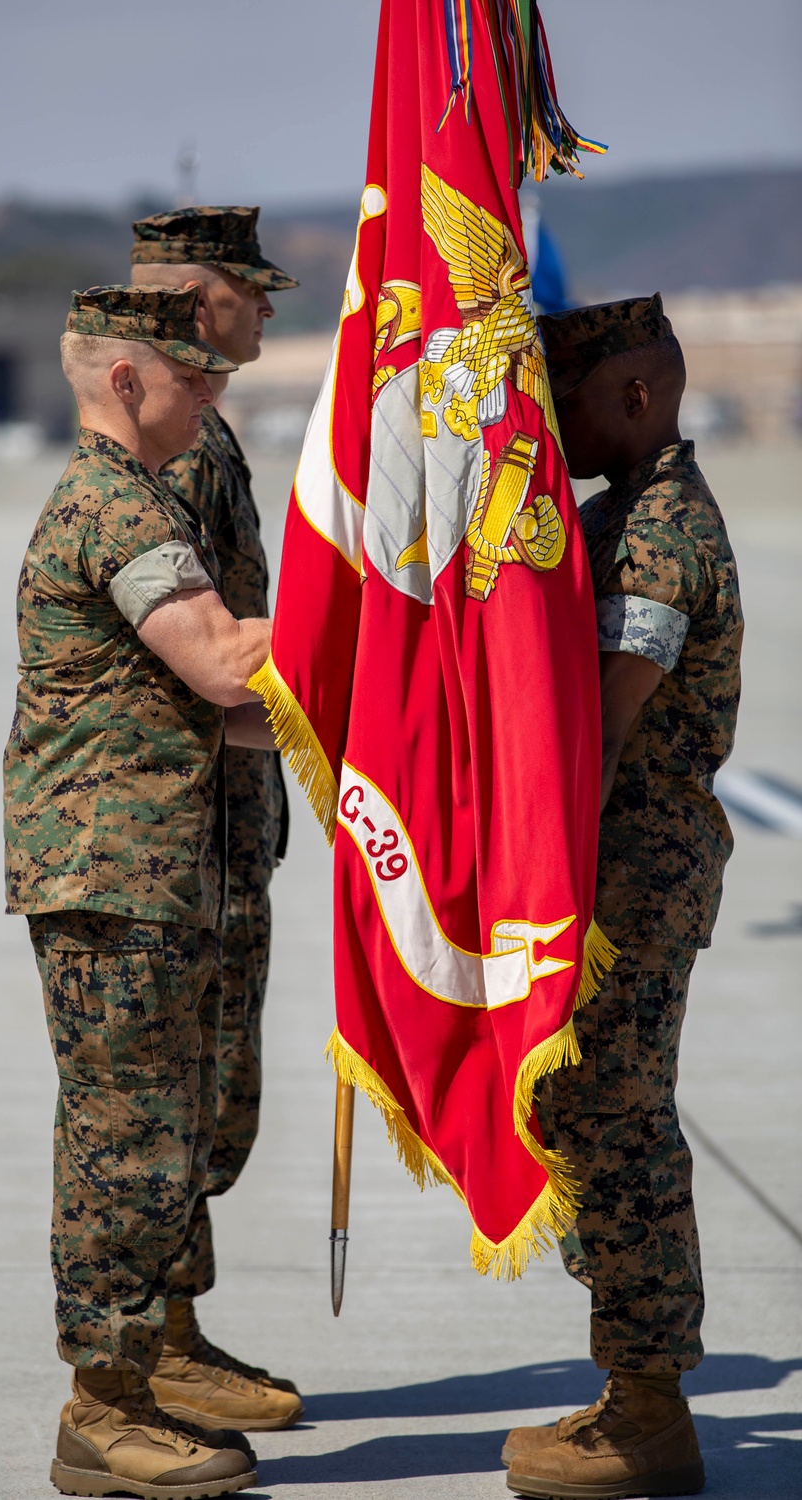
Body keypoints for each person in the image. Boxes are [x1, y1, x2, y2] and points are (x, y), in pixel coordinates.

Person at [3, 283, 276, 1500]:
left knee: (157, 1139)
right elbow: (224, 665)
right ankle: (100, 1411)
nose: (213, 390)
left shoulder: (149, 495)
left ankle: (140, 1375)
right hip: (114, 875)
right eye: (191, 376)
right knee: (123, 1145)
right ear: (124, 380)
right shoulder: (114, 506)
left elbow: (233, 713)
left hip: (153, 867)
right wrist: (387, 623)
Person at [503, 295, 744, 1500]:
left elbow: (598, 724)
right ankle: (631, 1387)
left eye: (570, 404)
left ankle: (650, 1410)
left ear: (638, 399)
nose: (551, 428)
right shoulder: (612, 518)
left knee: (620, 1124)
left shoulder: (659, 536)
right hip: (604, 867)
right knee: (588, 1120)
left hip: (633, 874)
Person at [126, 207, 303, 1431]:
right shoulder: (172, 454)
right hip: (181, 827)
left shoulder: (207, 433)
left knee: (212, 1092)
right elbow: (211, 658)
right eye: (251, 288)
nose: (271, 308)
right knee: (173, 1096)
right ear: (200, 293)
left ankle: (176, 1327)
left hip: (225, 811)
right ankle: (150, 1346)